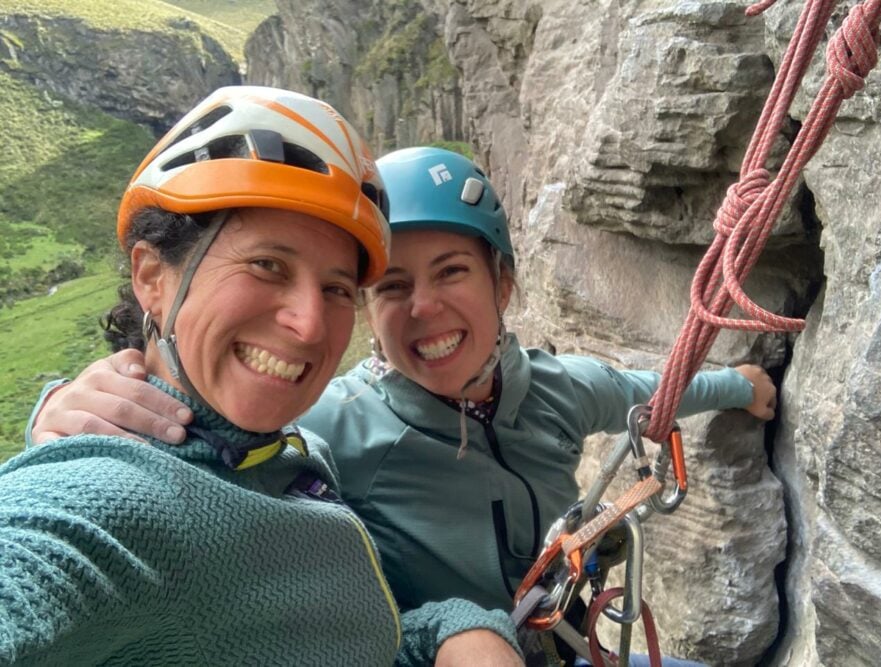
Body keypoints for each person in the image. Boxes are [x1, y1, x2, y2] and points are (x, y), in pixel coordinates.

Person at [29, 147, 776, 665]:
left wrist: (743, 383)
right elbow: (200, 456)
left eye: (451, 271)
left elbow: (655, 392)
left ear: (504, 287)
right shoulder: (332, 426)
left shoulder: (562, 386)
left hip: (552, 638)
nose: (423, 308)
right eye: (390, 288)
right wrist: (63, 411)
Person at [1, 89, 524, 666]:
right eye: (267, 265)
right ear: (153, 276)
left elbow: (350, 637)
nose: (308, 325)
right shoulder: (114, 501)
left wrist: (457, 630)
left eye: (336, 289)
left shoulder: (289, 452)